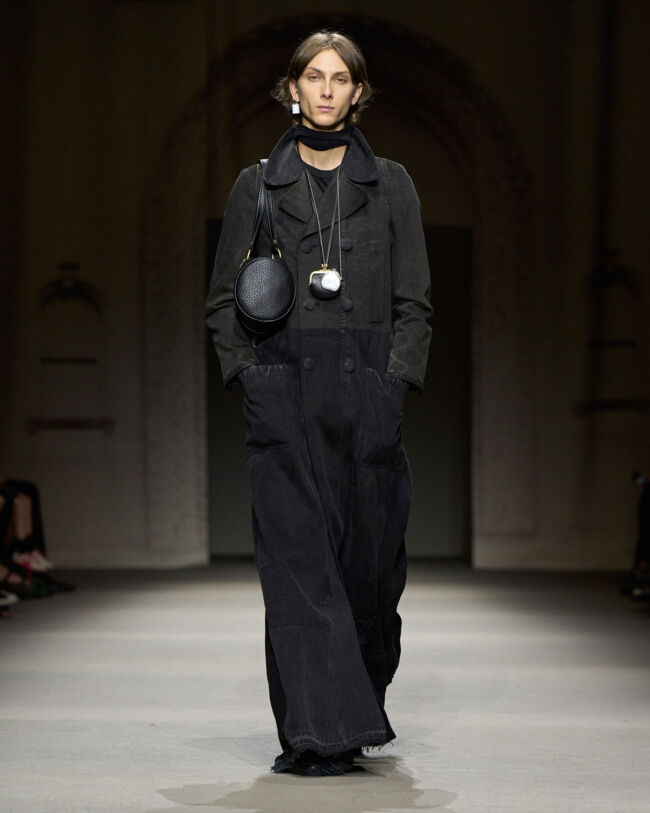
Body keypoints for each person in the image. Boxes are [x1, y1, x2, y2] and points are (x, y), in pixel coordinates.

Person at [204, 30, 432, 776]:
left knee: (371, 572)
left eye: (340, 79)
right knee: (297, 570)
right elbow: (222, 302)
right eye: (314, 76)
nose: (327, 90)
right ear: (292, 88)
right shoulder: (257, 186)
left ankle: (354, 708)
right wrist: (251, 380)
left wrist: (394, 385)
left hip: (367, 391)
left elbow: (415, 303)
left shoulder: (391, 184)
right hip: (285, 385)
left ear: (358, 92)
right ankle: (314, 733)